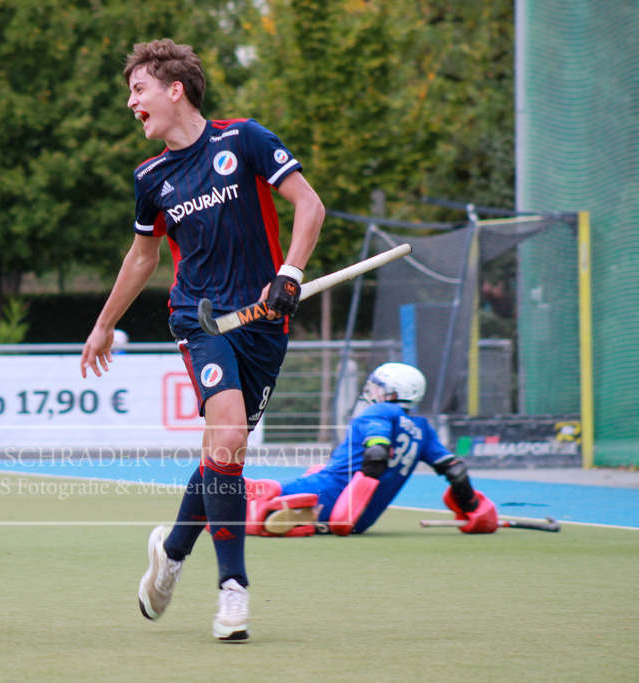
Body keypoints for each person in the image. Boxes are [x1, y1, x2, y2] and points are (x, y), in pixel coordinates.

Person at [80, 39, 324, 641]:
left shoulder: (244, 140)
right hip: (201, 320)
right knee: (231, 435)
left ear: (174, 89)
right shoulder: (150, 177)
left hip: (264, 324)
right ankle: (232, 592)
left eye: (138, 90)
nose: (131, 103)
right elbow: (143, 257)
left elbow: (309, 206)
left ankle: (173, 548)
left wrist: (289, 273)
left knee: (224, 453)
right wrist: (105, 322)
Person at [245, 363, 499, 537]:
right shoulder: (423, 429)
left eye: (378, 386)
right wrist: (471, 507)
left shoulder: (378, 411)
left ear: (394, 391)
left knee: (260, 490)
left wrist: (346, 507)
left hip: (335, 493)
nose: (371, 391)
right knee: (317, 468)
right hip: (363, 519)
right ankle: (305, 518)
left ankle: (277, 511)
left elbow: (376, 454)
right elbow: (456, 471)